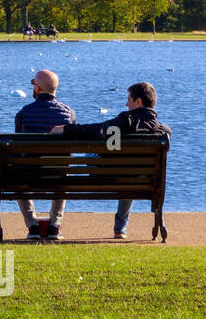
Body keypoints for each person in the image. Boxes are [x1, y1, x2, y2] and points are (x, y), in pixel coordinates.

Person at [51, 81, 172, 239]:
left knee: (96, 157)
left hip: (109, 175)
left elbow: (98, 130)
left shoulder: (125, 120)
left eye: (129, 99)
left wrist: (66, 129)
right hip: (143, 179)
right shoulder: (164, 131)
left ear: (139, 102)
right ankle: (120, 228)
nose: (126, 103)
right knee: (131, 172)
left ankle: (121, 227)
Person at [14, 69, 76, 240]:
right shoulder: (69, 113)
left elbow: (17, 147)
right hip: (58, 175)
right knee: (64, 170)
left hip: (30, 175)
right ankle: (55, 226)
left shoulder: (24, 113)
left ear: (38, 89)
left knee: (16, 173)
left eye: (34, 85)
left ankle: (32, 226)